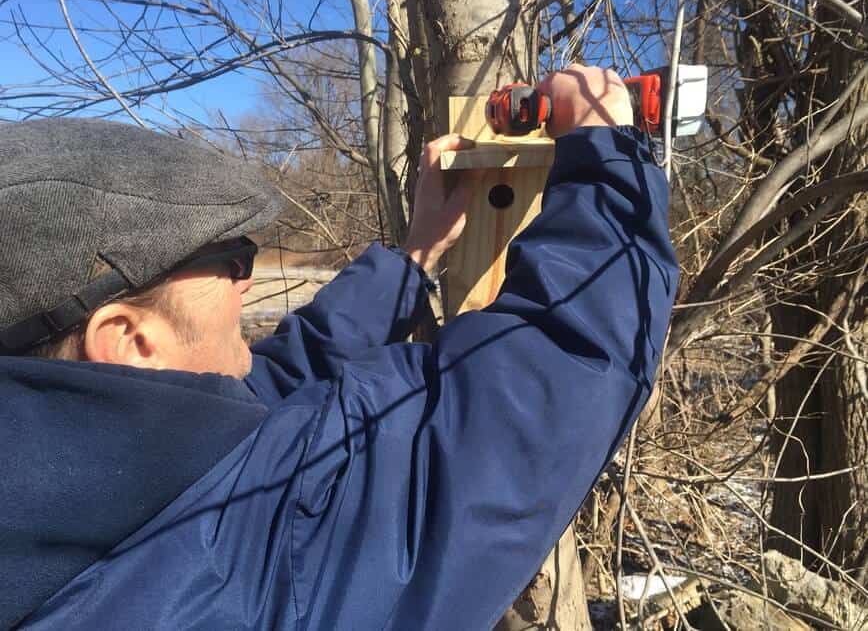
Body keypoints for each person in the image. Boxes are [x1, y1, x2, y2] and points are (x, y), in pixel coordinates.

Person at [0, 65, 677, 630]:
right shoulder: (252, 567)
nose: (246, 281)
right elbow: (551, 374)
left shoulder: (76, 484)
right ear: (127, 339)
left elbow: (268, 389)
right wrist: (605, 155)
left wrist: (413, 258)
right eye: (231, 258)